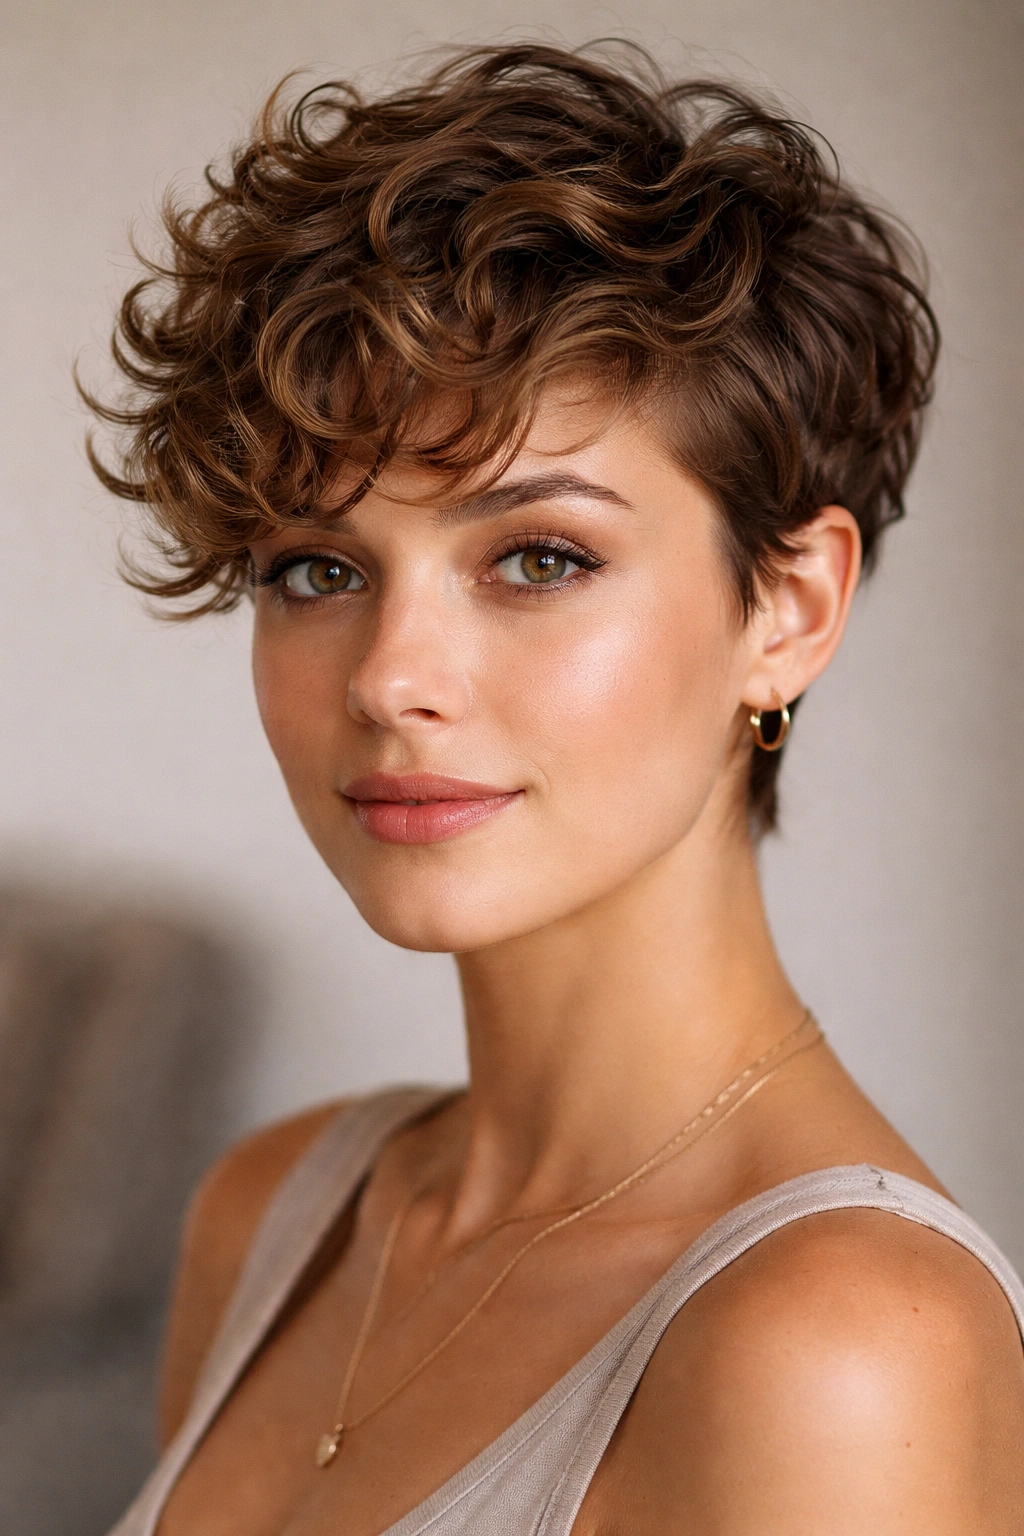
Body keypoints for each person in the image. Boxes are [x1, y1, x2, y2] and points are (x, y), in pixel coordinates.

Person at [88, 43, 1024, 1535]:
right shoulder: (275, 1214)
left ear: (787, 609)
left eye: (538, 557)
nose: (392, 677)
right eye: (317, 570)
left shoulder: (844, 1346)